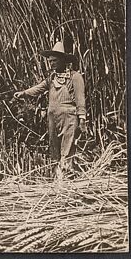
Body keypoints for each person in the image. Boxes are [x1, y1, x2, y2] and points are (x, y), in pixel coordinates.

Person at [13, 41, 87, 179]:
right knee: (54, 148)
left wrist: (82, 118)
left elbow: (80, 98)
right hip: (53, 118)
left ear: (63, 61)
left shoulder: (75, 77)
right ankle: (57, 178)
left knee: (68, 147)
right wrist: (24, 93)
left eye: (54, 61)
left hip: (69, 117)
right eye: (50, 61)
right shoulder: (51, 78)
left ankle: (66, 178)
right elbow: (38, 88)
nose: (51, 64)